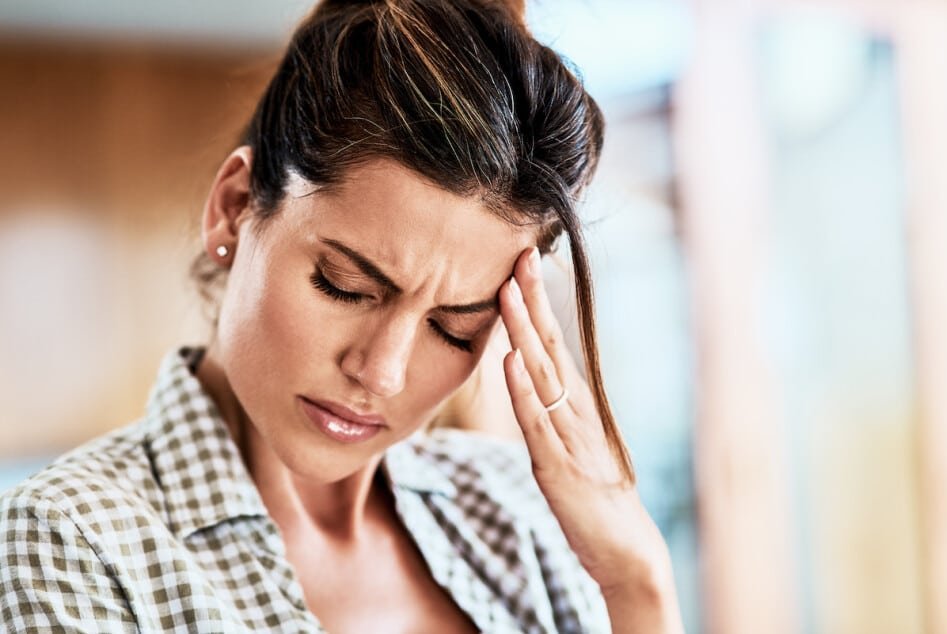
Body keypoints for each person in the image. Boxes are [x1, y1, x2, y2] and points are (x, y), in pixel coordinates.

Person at [0, 0, 684, 631]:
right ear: (236, 205)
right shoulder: (72, 539)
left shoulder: (513, 514)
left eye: (455, 326)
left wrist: (636, 583)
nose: (381, 373)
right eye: (345, 285)